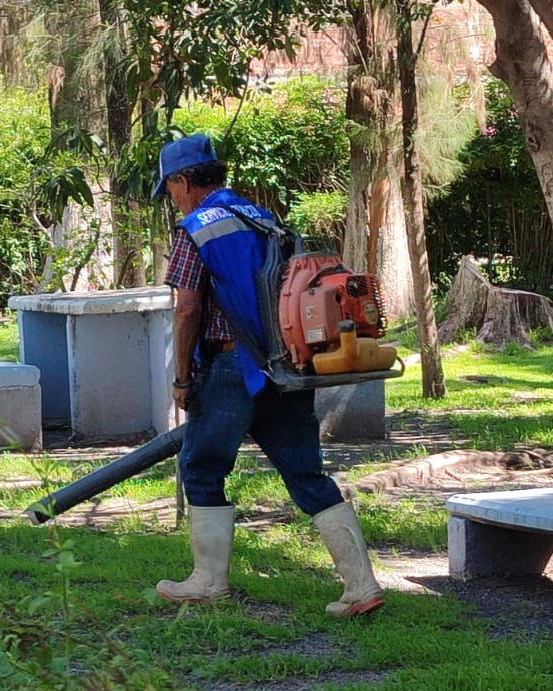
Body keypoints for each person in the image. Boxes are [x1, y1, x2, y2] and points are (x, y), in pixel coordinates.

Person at [154, 133, 385, 618]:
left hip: (231, 367)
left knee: (201, 467)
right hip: (285, 365)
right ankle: (361, 586)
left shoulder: (196, 228)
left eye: (170, 188)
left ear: (183, 181)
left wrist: (182, 377)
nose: (171, 198)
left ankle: (208, 581)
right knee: (306, 474)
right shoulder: (262, 218)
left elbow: (187, 308)